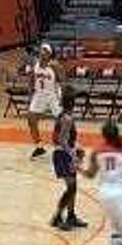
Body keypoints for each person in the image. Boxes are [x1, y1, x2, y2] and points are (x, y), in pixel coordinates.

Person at [49, 94, 87, 231]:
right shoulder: (67, 119)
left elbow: (67, 139)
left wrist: (77, 147)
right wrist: (73, 154)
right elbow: (62, 140)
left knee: (73, 187)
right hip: (62, 155)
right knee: (71, 188)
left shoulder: (63, 116)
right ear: (73, 103)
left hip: (64, 154)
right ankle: (57, 217)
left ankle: (71, 216)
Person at [26, 43, 64, 159]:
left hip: (53, 95)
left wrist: (62, 97)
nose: (42, 52)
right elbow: (31, 80)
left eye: (45, 51)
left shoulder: (55, 65)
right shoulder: (35, 64)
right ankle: (39, 147)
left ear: (50, 54)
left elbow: (63, 80)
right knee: (31, 119)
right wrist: (30, 96)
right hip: (39, 94)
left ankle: (63, 145)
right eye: (41, 50)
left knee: (62, 121)